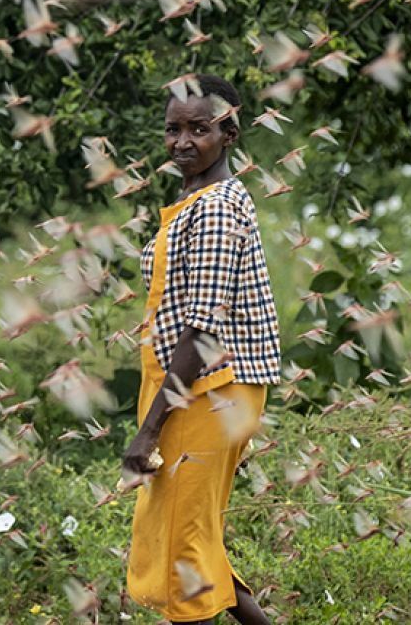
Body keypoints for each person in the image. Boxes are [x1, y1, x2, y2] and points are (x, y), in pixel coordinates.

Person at [124, 73, 283, 624]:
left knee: (185, 548)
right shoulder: (195, 198)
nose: (183, 142)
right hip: (197, 387)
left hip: (210, 389)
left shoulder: (215, 207)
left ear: (230, 133)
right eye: (173, 130)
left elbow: (204, 327)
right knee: (194, 538)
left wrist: (149, 428)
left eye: (200, 128)